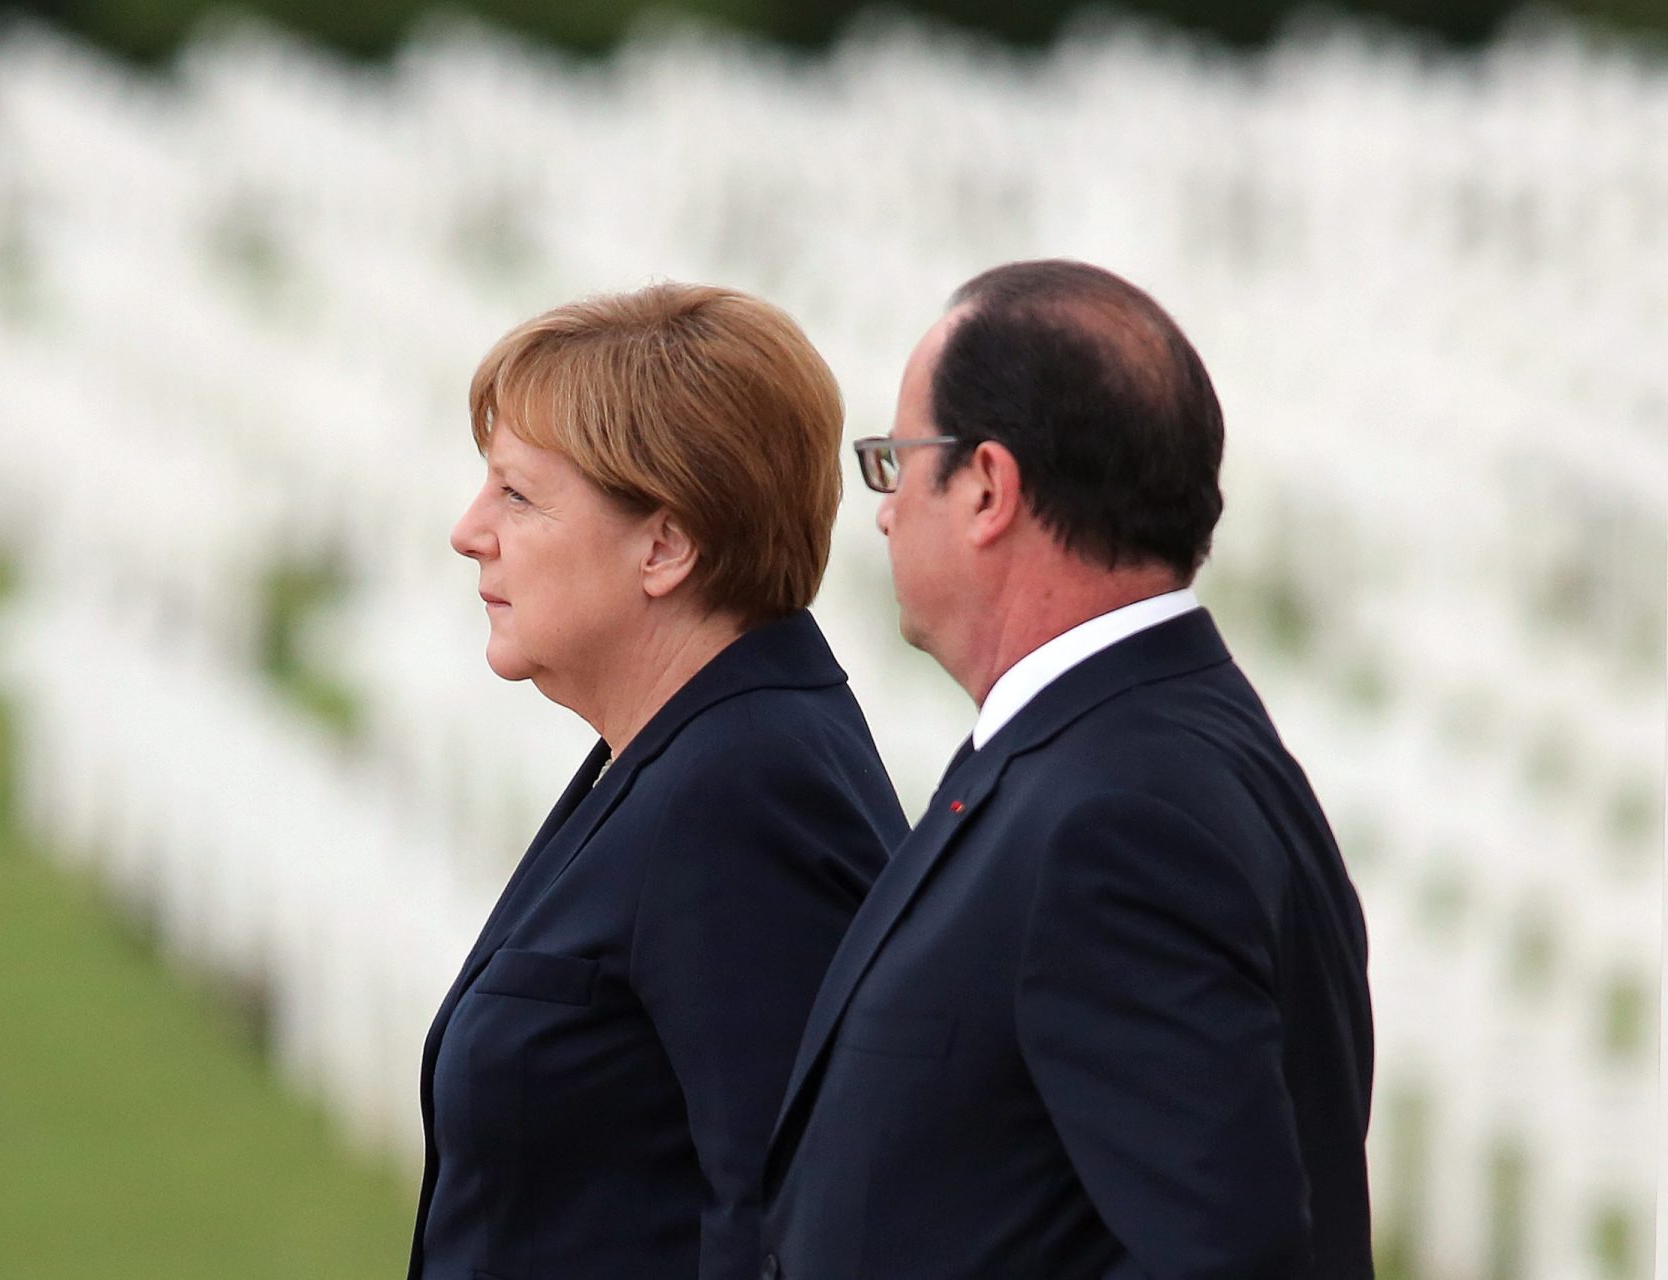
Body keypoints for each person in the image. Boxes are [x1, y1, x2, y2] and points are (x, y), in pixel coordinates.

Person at [759, 260, 1375, 1280]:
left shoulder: (1123, 816)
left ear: (989, 488)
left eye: (897, 463)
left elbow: (1222, 1255)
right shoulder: (1124, 745)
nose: (883, 509)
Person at [410, 282, 907, 1280]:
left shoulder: (746, 789)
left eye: (516, 493)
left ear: (666, 543)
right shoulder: (682, 752)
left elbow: (788, 1226)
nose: (470, 530)